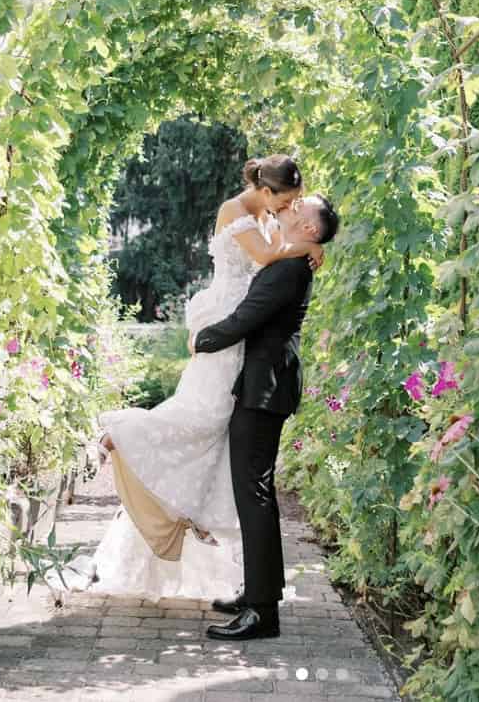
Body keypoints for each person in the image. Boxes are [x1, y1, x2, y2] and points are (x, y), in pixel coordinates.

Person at [80, 155, 324, 602]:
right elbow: (267, 259)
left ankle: (207, 535)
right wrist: (307, 246)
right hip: (227, 331)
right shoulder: (239, 213)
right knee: (202, 416)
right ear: (266, 192)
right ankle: (125, 431)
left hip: (241, 342)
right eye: (285, 200)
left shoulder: (271, 225)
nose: (288, 208)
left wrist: (302, 244)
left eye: (296, 204)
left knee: (216, 440)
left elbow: (269, 272)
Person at [192, 192, 340, 640]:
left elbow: (246, 319)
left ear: (311, 229)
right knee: (256, 495)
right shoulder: (292, 258)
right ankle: (258, 594)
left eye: (300, 208)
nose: (290, 209)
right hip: (264, 387)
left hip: (265, 389)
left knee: (253, 495)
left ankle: (262, 612)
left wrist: (203, 339)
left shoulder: (290, 269)